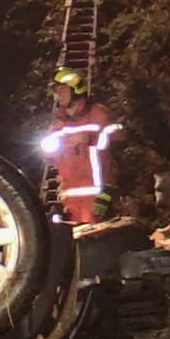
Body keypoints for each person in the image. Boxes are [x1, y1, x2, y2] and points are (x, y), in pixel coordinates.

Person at [40, 67, 123, 224]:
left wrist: (107, 191)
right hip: (68, 202)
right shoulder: (58, 126)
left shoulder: (98, 115)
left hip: (96, 198)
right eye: (57, 91)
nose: (59, 95)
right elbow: (50, 158)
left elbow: (117, 149)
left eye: (63, 90)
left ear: (76, 89)